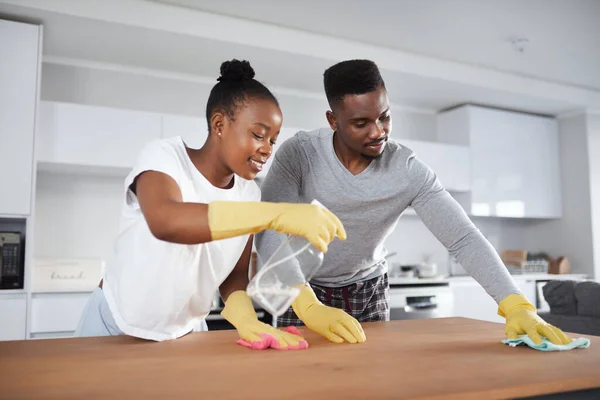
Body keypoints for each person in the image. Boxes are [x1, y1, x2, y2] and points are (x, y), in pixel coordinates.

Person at [256, 59, 572, 346]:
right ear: (333, 120)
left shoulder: (406, 169)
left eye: (385, 116)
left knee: (371, 380)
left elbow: (463, 237)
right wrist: (307, 305)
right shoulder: (300, 154)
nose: (378, 132)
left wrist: (517, 304)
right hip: (300, 284)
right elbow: (270, 228)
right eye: (361, 123)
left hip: (366, 287)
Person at [74, 59, 346, 350]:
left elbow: (233, 274)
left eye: (273, 140)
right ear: (219, 124)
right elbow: (166, 221)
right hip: (115, 325)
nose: (267, 148)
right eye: (258, 134)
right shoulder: (164, 158)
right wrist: (277, 214)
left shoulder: (249, 193)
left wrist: (247, 318)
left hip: (188, 332)